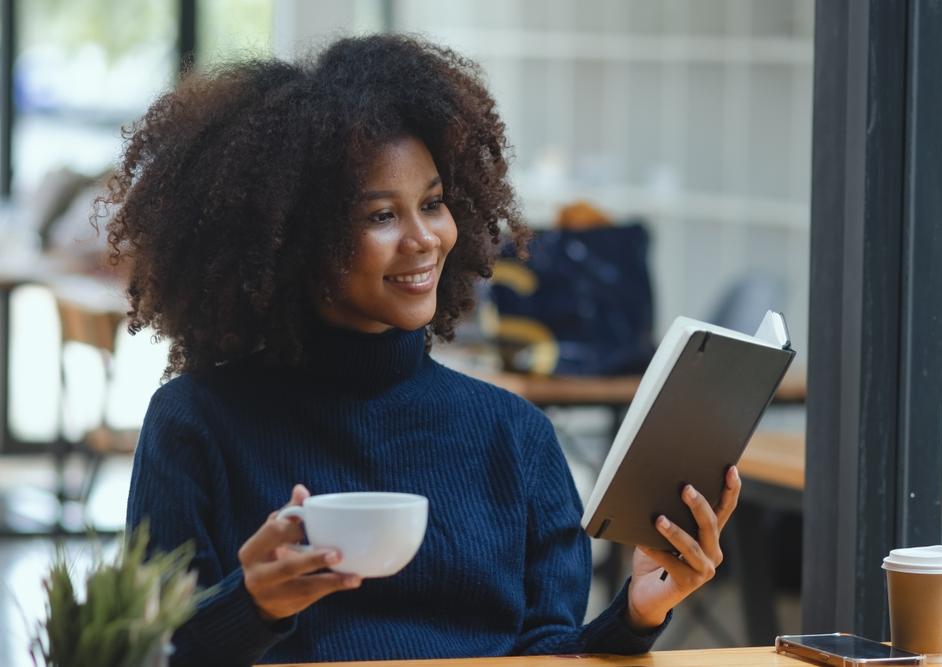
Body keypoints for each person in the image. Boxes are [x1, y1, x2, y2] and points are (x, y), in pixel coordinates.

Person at [104, 34, 742, 666]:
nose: (423, 239)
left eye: (433, 204)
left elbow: (545, 654)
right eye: (381, 216)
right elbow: (146, 655)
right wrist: (253, 604)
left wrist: (636, 613)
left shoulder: (514, 436)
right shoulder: (196, 424)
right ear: (293, 239)